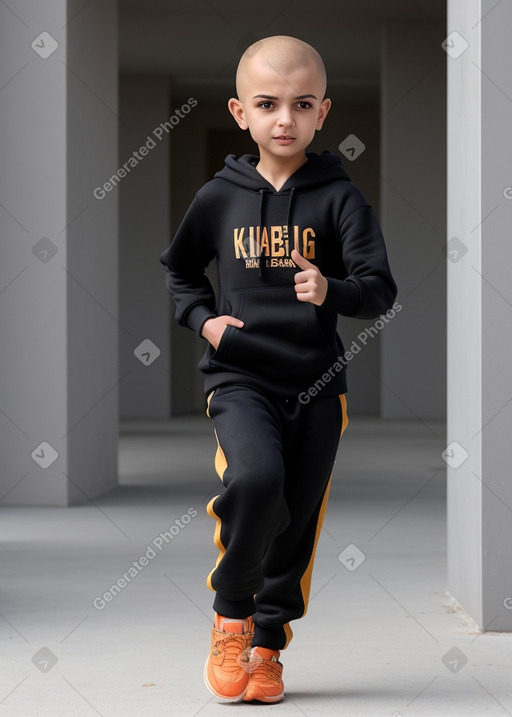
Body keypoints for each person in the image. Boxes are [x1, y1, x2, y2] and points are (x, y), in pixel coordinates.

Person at [158, 34, 398, 704]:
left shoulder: (341, 200)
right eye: (268, 104)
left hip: (319, 385)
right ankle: (230, 615)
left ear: (324, 112)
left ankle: (267, 648)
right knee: (258, 479)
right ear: (241, 112)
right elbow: (179, 270)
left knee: (296, 520)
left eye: (301, 104)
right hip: (239, 377)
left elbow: (380, 288)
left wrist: (333, 290)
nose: (284, 118)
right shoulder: (218, 197)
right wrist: (203, 320)